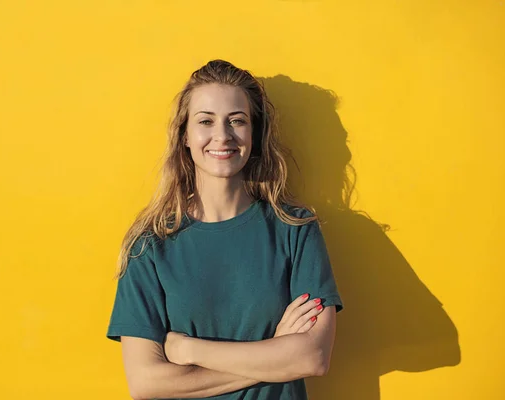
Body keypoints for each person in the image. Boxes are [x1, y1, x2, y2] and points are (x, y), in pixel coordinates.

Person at [106, 59, 344, 399]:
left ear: (254, 134)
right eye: (206, 121)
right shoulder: (149, 245)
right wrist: (277, 353)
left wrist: (190, 349)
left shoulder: (295, 229)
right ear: (184, 136)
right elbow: (147, 384)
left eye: (237, 121)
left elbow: (313, 356)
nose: (223, 135)